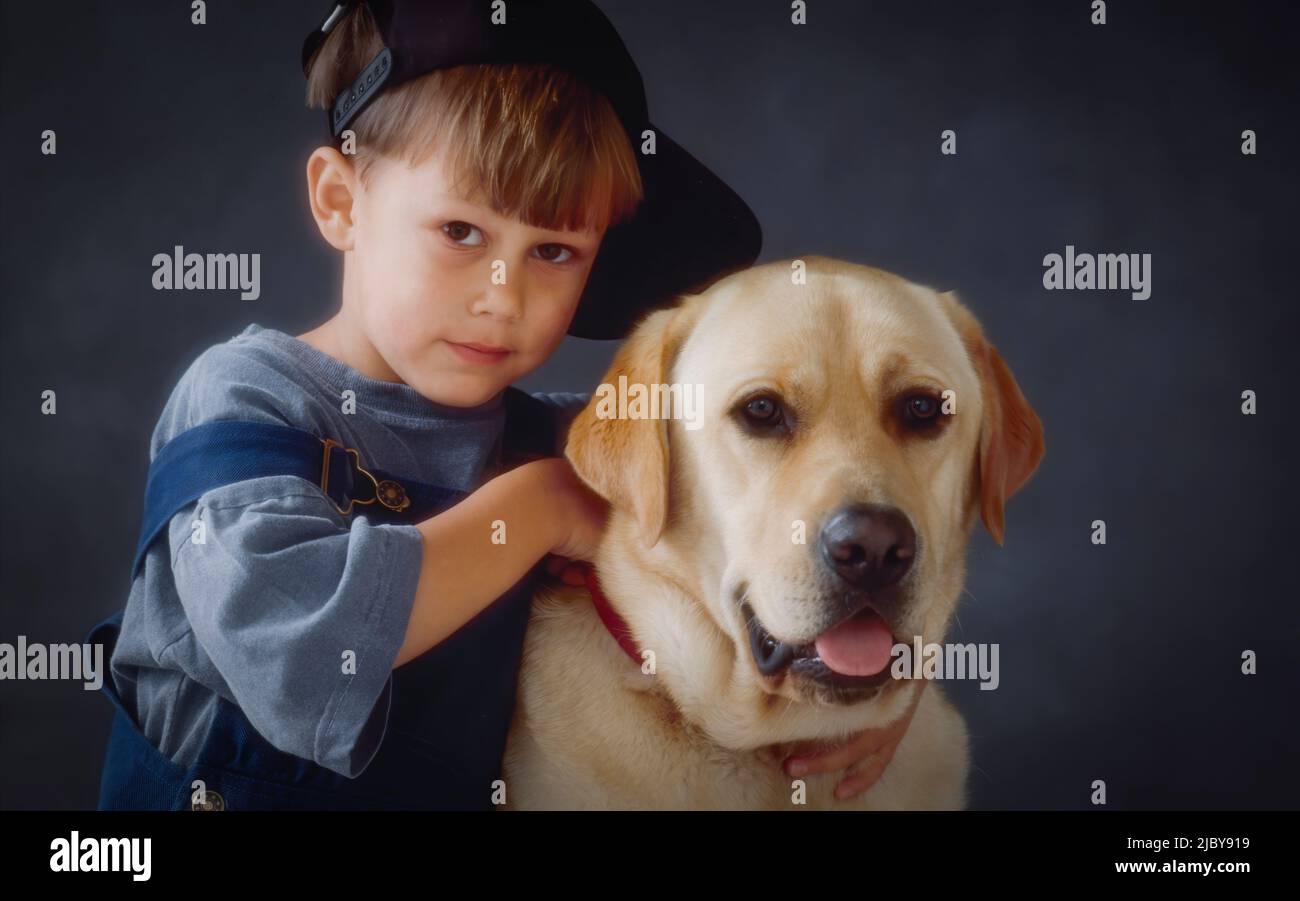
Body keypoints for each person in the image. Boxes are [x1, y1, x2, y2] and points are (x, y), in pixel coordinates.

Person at [87, 0, 917, 810]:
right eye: (460, 233)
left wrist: (873, 681)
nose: (503, 295)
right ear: (342, 202)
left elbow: (776, 548)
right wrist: (541, 504)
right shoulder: (245, 401)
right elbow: (306, 662)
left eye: (553, 250)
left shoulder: (580, 439)